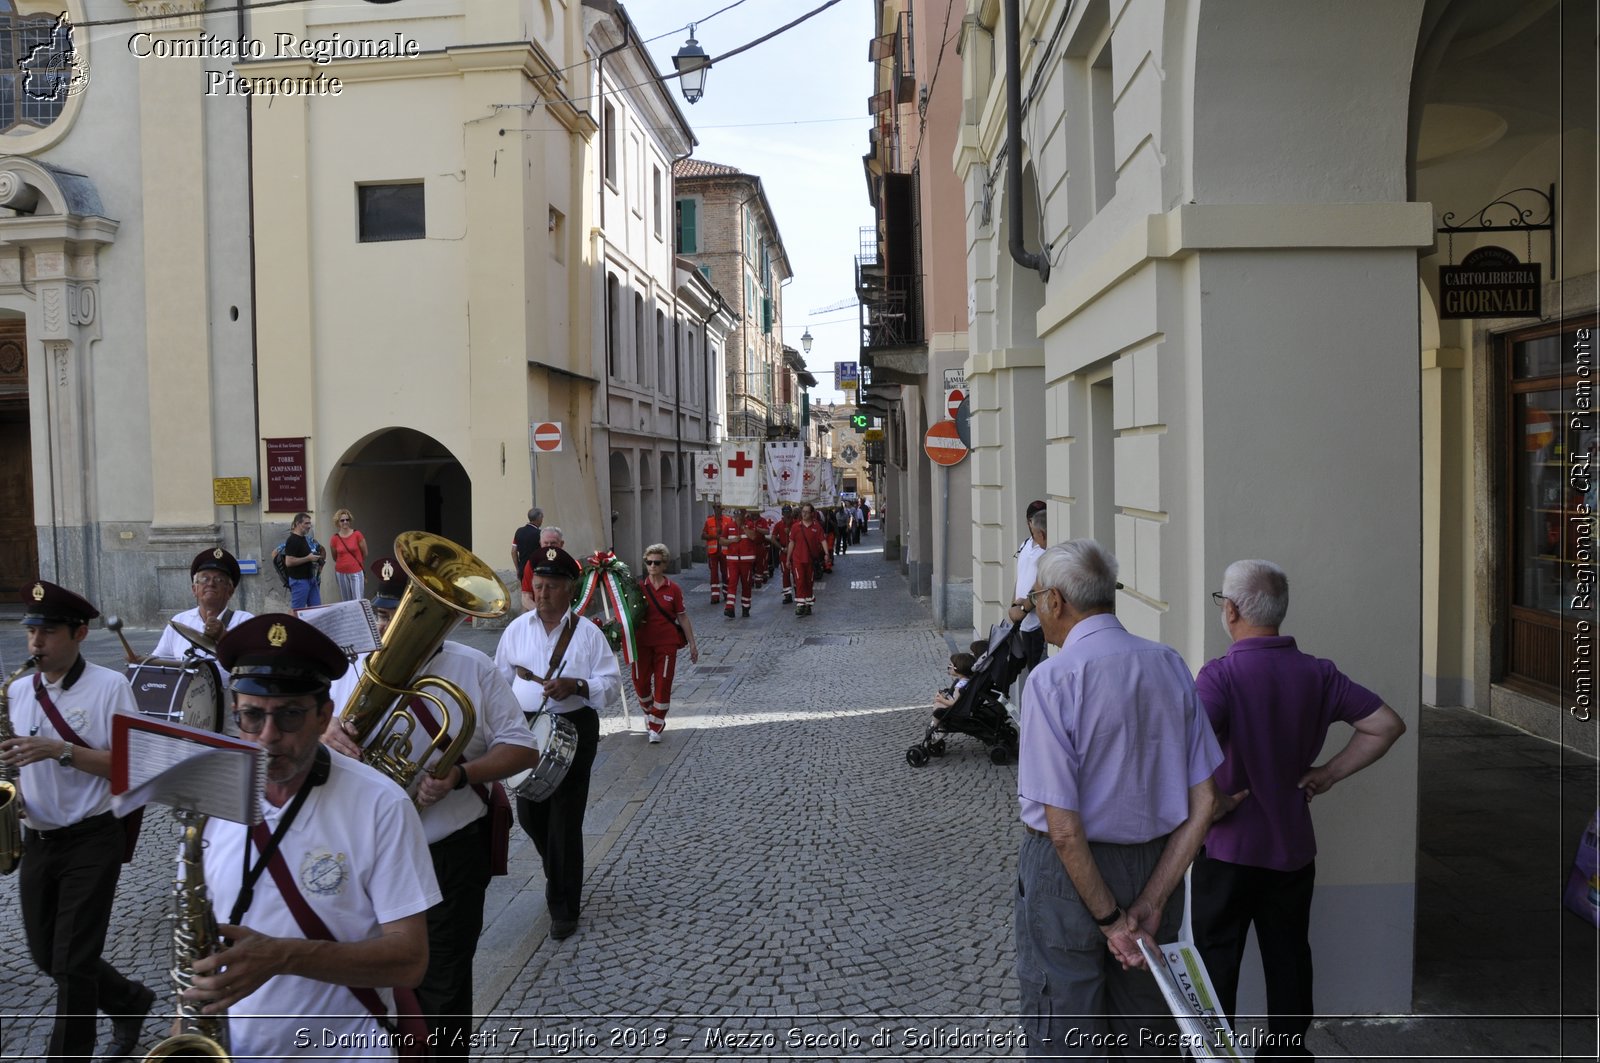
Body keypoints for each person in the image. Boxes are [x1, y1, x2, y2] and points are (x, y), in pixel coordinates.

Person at [187, 614, 440, 1062]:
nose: (268, 736)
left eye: (289, 715)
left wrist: (283, 957)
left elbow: (410, 960)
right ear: (234, 711)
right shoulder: (211, 797)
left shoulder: (382, 805)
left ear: (324, 714)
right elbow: (194, 950)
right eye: (251, 716)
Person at [326, 557, 539, 1062]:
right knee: (367, 984)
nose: (388, 629)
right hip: (365, 857)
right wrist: (322, 734)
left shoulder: (474, 668)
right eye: (382, 617)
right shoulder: (347, 670)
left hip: (447, 853)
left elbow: (523, 749)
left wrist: (460, 775)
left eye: (399, 616)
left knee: (442, 990)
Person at [1015, 541, 1222, 1057]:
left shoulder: (1052, 679)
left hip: (1068, 878)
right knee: (1148, 1033)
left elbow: (1063, 829)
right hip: (1157, 865)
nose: (1035, 608)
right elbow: (1205, 804)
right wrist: (1150, 901)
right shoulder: (1169, 664)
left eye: (1037, 596)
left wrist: (1111, 921)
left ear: (1056, 601)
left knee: (1068, 1031)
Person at [1191, 560, 1406, 1058]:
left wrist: (1211, 801)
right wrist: (1327, 773)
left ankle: (1214, 1055)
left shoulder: (1220, 677)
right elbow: (1386, 724)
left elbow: (1178, 745)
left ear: (1231, 609)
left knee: (1216, 961)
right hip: (1291, 847)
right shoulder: (1318, 673)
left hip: (1227, 850)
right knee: (1289, 958)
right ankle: (1287, 1054)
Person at [1, 581, 155, 1062]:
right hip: (39, 839)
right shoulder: (18, 689)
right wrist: (16, 789)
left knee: (71, 964)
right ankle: (130, 1001)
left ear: (80, 633)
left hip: (92, 837)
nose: (35, 644)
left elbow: (132, 765)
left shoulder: (110, 687)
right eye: (31, 633)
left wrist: (60, 751)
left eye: (47, 633)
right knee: (47, 955)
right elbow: (17, 760)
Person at [494, 546, 620, 940]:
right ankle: (561, 872)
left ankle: (563, 906)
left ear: (570, 590)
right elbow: (498, 680)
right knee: (531, 816)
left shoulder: (588, 634)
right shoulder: (516, 630)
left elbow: (612, 684)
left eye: (551, 586)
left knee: (565, 818)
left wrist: (577, 685)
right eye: (538, 585)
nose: (543, 593)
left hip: (574, 728)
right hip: (527, 729)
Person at [632, 543, 700, 744]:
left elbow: (683, 617)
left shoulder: (674, 589)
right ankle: (649, 711)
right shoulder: (638, 589)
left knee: (663, 683)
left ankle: (656, 725)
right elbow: (627, 614)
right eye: (649, 562)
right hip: (642, 643)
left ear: (664, 565)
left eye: (656, 563)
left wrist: (693, 644)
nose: (652, 566)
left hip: (666, 643)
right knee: (639, 681)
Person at [150, 547, 255, 659]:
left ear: (230, 591)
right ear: (194, 589)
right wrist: (140, 661)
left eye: (219, 580)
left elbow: (254, 662)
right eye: (205, 579)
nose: (211, 584)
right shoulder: (179, 621)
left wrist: (223, 636)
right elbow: (159, 660)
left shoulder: (246, 622)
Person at [1006, 501, 1049, 709]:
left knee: (1037, 669)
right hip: (1022, 621)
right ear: (1028, 522)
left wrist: (1023, 609)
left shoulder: (1046, 548)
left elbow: (1042, 582)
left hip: (1037, 620)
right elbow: (1021, 576)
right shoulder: (1026, 544)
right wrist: (1013, 604)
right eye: (1034, 518)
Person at [786, 503, 825, 617]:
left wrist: (827, 553)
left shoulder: (816, 527)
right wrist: (788, 559)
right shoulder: (795, 527)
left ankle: (808, 604)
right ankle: (800, 605)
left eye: (807, 512)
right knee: (799, 581)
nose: (804, 514)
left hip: (810, 560)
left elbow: (823, 540)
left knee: (809, 582)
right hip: (797, 559)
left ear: (812, 514)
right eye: (803, 512)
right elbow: (791, 543)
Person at [282, 511, 326, 610]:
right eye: (306, 523)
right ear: (298, 524)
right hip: (299, 581)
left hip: (310, 579)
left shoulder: (304, 538)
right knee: (298, 610)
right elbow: (289, 562)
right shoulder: (292, 540)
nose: (309, 526)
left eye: (310, 523)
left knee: (316, 609)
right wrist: (308, 558)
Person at [520, 526, 565, 613]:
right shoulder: (531, 564)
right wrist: (541, 612)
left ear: (561, 543)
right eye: (546, 543)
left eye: (553, 543)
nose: (549, 547)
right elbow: (526, 597)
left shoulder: (568, 564)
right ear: (540, 543)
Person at [722, 517, 758, 619]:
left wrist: (744, 528)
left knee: (746, 584)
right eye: (737, 513)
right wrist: (732, 540)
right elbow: (721, 540)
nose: (739, 515)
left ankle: (745, 607)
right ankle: (729, 608)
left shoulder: (750, 524)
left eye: (741, 513)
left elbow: (753, 536)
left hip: (746, 561)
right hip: (732, 560)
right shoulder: (729, 526)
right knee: (732, 582)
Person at [330, 509, 369, 602]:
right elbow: (334, 557)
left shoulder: (357, 534)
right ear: (338, 522)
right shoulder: (334, 538)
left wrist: (354, 563)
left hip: (356, 572)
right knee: (346, 601)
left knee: (358, 600)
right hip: (341, 573)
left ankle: (358, 617)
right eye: (342, 520)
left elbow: (365, 553)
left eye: (347, 520)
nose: (345, 522)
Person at [701, 505, 737, 606]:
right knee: (714, 574)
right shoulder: (709, 521)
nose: (718, 510)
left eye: (719, 508)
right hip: (713, 552)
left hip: (725, 552)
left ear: (722, 509)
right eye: (716, 508)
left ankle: (726, 592)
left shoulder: (728, 520)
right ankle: (715, 596)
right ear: (714, 509)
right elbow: (703, 535)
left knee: (725, 573)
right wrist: (714, 536)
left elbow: (732, 534)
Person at [509, 507, 543, 587]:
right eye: (542, 518)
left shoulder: (519, 531)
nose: (542, 520)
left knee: (526, 595)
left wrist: (518, 569)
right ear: (538, 519)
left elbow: (513, 551)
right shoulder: (540, 534)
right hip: (536, 570)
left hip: (523, 570)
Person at [772, 506, 796, 604]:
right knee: (785, 574)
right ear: (782, 513)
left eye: (788, 512)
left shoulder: (796, 524)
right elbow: (773, 538)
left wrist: (789, 532)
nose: (787, 514)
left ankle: (798, 592)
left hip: (794, 552)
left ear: (791, 512)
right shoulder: (778, 525)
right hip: (783, 552)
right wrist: (781, 548)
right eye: (785, 512)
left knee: (795, 573)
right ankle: (787, 595)